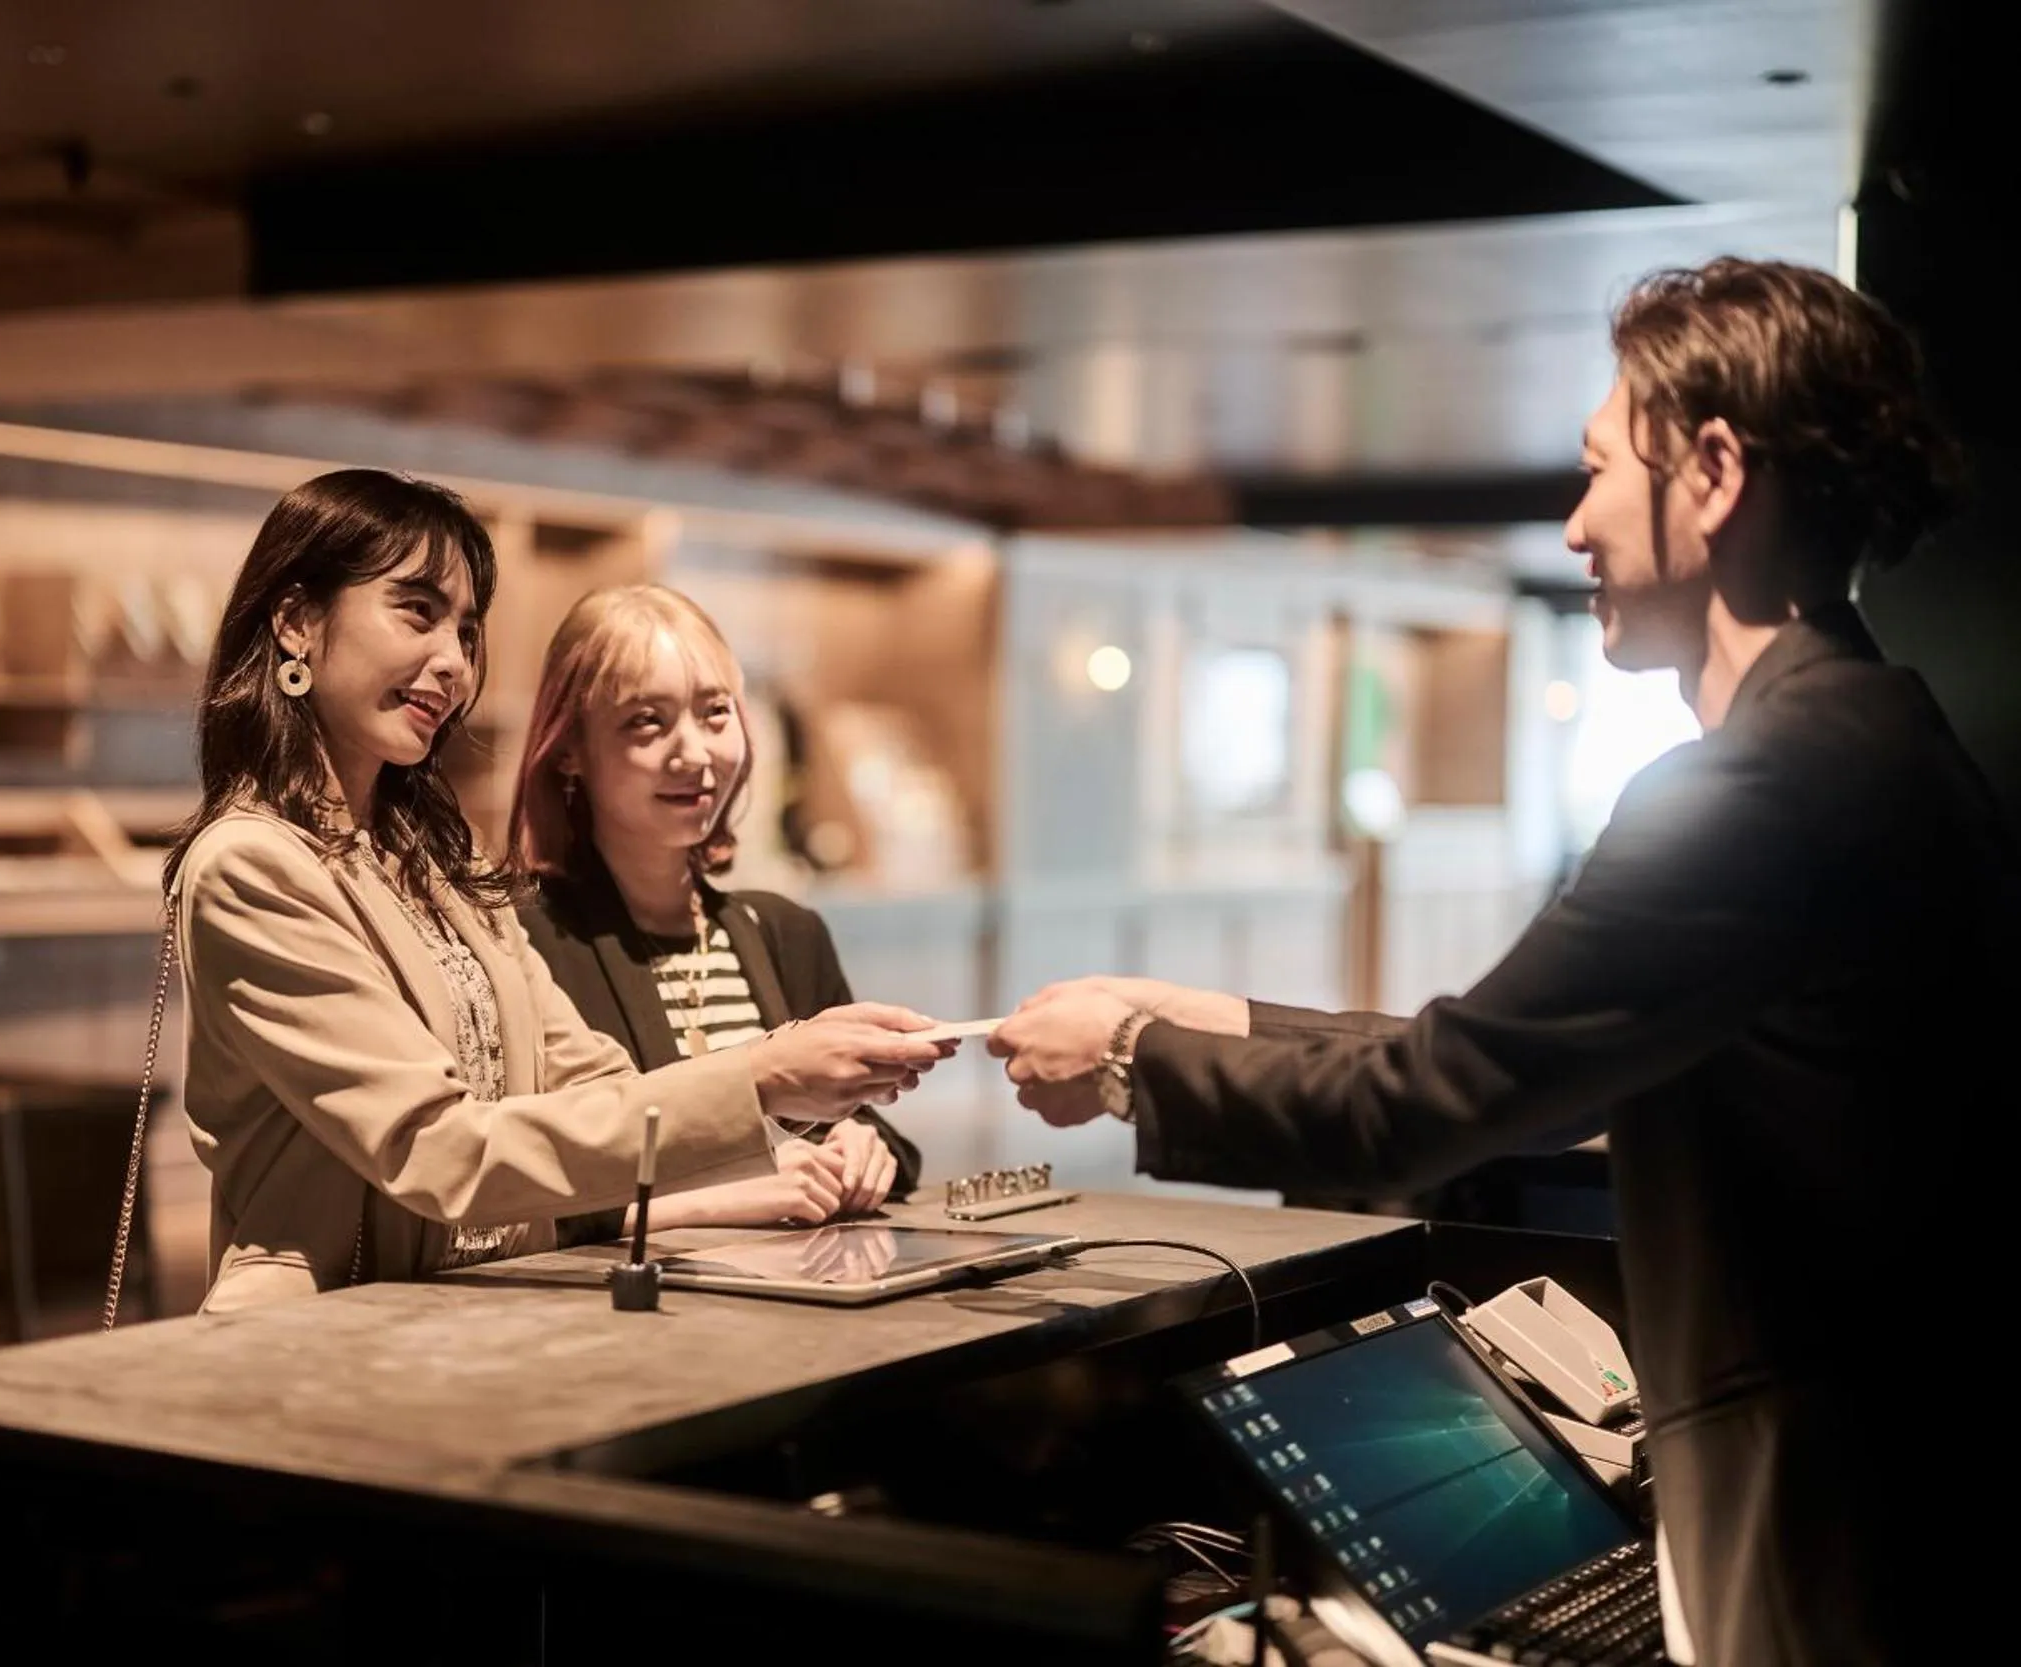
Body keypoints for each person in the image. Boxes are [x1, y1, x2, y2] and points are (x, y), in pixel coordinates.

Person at [987, 258, 2014, 1667]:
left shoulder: (1764, 782)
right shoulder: (1872, 738)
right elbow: (1530, 1044)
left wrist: (1124, 1062)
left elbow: (1445, 1091)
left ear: (1713, 472)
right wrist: (1210, 1010)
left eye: (1598, 469)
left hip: (1823, 1507)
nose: (1575, 521)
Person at [161, 468, 952, 1313]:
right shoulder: (253, 865)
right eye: (416, 611)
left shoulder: (431, 858)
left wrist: (789, 1133)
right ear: (296, 622)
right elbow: (438, 1148)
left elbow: (590, 1080)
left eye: (466, 630)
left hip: (477, 1314)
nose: (451, 664)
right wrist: (760, 1078)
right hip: (324, 1335)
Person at [509, 583, 926, 1242]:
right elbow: (512, 1188)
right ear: (569, 749)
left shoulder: (785, 930)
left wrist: (860, 1141)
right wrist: (725, 1193)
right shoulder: (523, 938)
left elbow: (877, 1137)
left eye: (715, 712)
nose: (696, 752)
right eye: (647, 720)